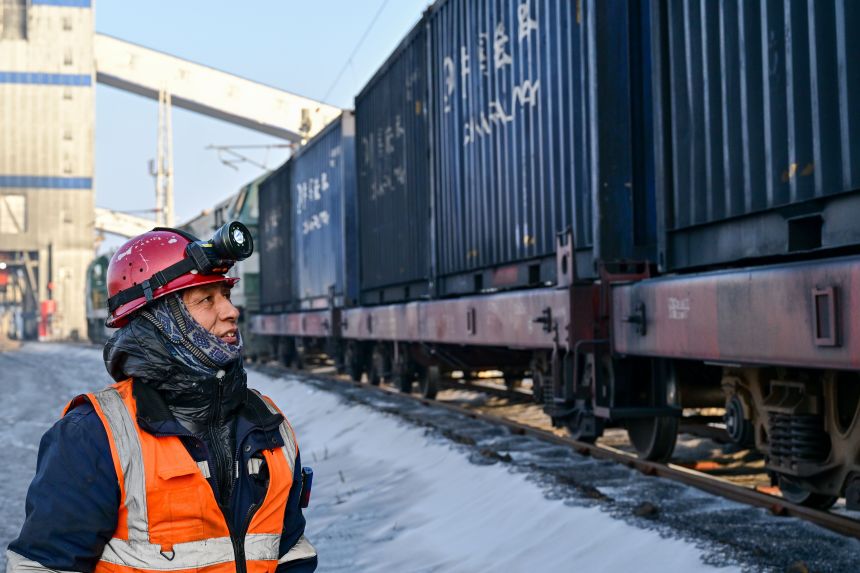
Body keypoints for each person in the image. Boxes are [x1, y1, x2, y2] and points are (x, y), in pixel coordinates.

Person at [6, 223, 317, 572]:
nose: (231, 311)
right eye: (206, 300)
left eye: (225, 295)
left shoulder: (267, 423)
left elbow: (290, 552)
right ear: (160, 321)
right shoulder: (94, 436)